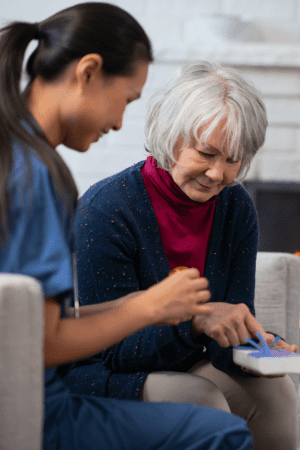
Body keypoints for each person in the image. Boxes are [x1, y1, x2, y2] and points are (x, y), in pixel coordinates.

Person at [0, 3, 255, 450]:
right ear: (88, 73)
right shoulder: (37, 176)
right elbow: (39, 342)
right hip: (41, 403)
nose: (119, 122)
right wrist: (148, 309)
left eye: (232, 160)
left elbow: (34, 320)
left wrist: (150, 303)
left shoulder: (17, 153)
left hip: (38, 391)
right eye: (127, 99)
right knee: (223, 432)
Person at [66, 61, 299, 450]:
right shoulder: (106, 210)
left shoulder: (236, 206)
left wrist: (257, 345)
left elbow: (228, 331)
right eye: (206, 152)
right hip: (107, 374)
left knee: (277, 395)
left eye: (232, 158)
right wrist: (196, 324)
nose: (216, 173)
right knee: (199, 402)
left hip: (187, 361)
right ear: (169, 136)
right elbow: (110, 351)